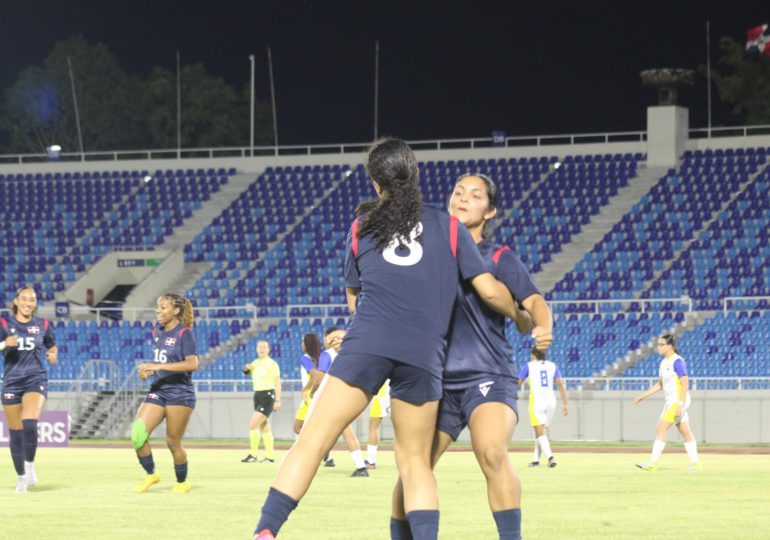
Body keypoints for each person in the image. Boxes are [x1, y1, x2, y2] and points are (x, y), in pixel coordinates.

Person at [254, 138, 519, 540]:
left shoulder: (361, 226)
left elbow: (354, 299)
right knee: (415, 464)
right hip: (423, 354)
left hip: (369, 343)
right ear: (415, 175)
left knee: (310, 444)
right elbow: (488, 290)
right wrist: (520, 313)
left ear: (376, 184)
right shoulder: (449, 227)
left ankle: (266, 532)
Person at [392, 172, 552, 540]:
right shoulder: (424, 256)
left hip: (488, 376)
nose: (463, 198)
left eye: (475, 195)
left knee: (492, 452)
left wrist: (544, 327)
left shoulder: (498, 257)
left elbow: (535, 302)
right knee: (413, 470)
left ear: (490, 210)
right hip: (435, 383)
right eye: (458, 192)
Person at [133, 293, 198, 494]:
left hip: (180, 393)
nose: (158, 311)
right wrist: (148, 372)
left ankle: (182, 482)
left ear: (176, 310)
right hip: (158, 390)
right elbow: (159, 364)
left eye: (163, 307)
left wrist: (158, 365)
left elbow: (192, 363)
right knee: (138, 434)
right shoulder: (157, 331)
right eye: (157, 307)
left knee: (172, 442)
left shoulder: (184, 333)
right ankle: (151, 474)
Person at [0, 286, 57, 493]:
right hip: (11, 382)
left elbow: (51, 345)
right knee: (15, 434)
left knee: (30, 423)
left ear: (35, 303)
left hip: (35, 378)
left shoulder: (43, 324)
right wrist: (4, 343)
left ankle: (30, 464)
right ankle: (21, 478)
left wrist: (53, 354)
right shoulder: (4, 323)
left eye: (32, 299)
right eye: (24, 299)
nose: (28, 303)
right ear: (16, 301)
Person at [634, 334, 701, 472]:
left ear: (670, 346)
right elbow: (660, 384)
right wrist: (644, 395)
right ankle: (695, 463)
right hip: (672, 401)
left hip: (677, 401)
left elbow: (685, 383)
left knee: (661, 428)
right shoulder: (663, 363)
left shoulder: (677, 361)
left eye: (661, 344)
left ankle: (652, 463)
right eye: (658, 344)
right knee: (685, 431)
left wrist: (680, 405)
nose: (658, 347)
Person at [518, 347, 568, 469]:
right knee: (541, 433)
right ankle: (535, 461)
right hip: (551, 402)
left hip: (537, 402)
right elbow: (560, 384)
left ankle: (551, 458)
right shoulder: (552, 365)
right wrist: (566, 403)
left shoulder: (529, 366)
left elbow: (518, 382)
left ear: (534, 355)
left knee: (540, 433)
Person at [241, 340, 282, 463]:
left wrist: (277, 400)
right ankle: (269, 457)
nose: (262, 349)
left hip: (268, 395)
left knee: (253, 425)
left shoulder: (272, 364)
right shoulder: (255, 363)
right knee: (264, 426)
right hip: (257, 395)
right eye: (259, 347)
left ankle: (253, 455)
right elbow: (246, 372)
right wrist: (246, 368)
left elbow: (277, 383)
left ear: (269, 349)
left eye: (264, 347)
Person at [292, 333, 324, 437]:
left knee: (297, 428)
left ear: (307, 344)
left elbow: (314, 375)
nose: (301, 344)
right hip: (322, 395)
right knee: (316, 427)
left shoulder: (305, 358)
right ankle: (322, 450)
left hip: (310, 396)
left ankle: (317, 448)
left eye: (303, 342)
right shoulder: (322, 357)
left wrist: (304, 389)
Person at [366, 380, 390, 469]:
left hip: (383, 390)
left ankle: (370, 461)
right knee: (405, 428)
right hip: (400, 389)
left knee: (373, 427)